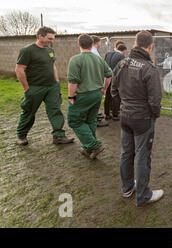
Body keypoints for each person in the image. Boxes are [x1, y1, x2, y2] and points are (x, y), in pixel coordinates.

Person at [111, 30, 164, 206]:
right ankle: (143, 195)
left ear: (135, 43)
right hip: (142, 118)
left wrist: (124, 105)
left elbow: (113, 91)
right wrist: (153, 115)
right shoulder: (149, 68)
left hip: (126, 116)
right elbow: (155, 100)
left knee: (126, 152)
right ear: (150, 46)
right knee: (142, 155)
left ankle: (127, 188)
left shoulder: (121, 64)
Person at [15, 27, 74, 146]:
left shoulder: (50, 50)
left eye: (52, 39)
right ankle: (21, 135)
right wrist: (26, 88)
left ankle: (58, 136)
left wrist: (56, 81)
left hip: (52, 87)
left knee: (55, 110)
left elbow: (53, 66)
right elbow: (19, 69)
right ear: (40, 36)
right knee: (29, 111)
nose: (51, 41)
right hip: (35, 87)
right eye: (49, 38)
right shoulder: (27, 50)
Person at [67, 34, 113, 160]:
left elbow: (73, 81)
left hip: (83, 95)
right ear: (92, 44)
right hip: (97, 94)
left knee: (74, 121)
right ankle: (88, 149)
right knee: (90, 120)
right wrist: (104, 89)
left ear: (78, 44)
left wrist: (71, 97)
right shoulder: (98, 59)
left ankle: (95, 145)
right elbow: (109, 74)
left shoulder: (75, 60)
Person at [104, 44, 127, 120]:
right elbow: (123, 69)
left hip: (107, 77)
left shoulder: (107, 54)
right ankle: (115, 114)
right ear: (123, 50)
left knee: (107, 95)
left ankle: (107, 114)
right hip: (116, 79)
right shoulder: (121, 57)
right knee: (116, 96)